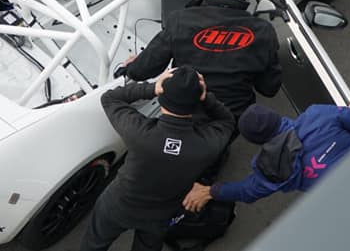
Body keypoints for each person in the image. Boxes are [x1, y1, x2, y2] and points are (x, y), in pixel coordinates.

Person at [80, 66, 235, 251]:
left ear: (161, 97)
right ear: (196, 104)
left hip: (118, 205)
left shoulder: (139, 133)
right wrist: (205, 97)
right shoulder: (206, 146)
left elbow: (109, 98)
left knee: (94, 244)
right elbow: (227, 121)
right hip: (160, 215)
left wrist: (151, 88)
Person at [125, 0, 281, 120]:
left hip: (186, 115)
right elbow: (269, 88)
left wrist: (131, 67)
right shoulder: (263, 31)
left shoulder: (181, 20)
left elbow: (143, 71)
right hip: (233, 119)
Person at [182, 98, 350, 210]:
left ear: (256, 141)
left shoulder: (270, 167)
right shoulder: (318, 114)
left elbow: (247, 191)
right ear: (274, 115)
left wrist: (209, 191)